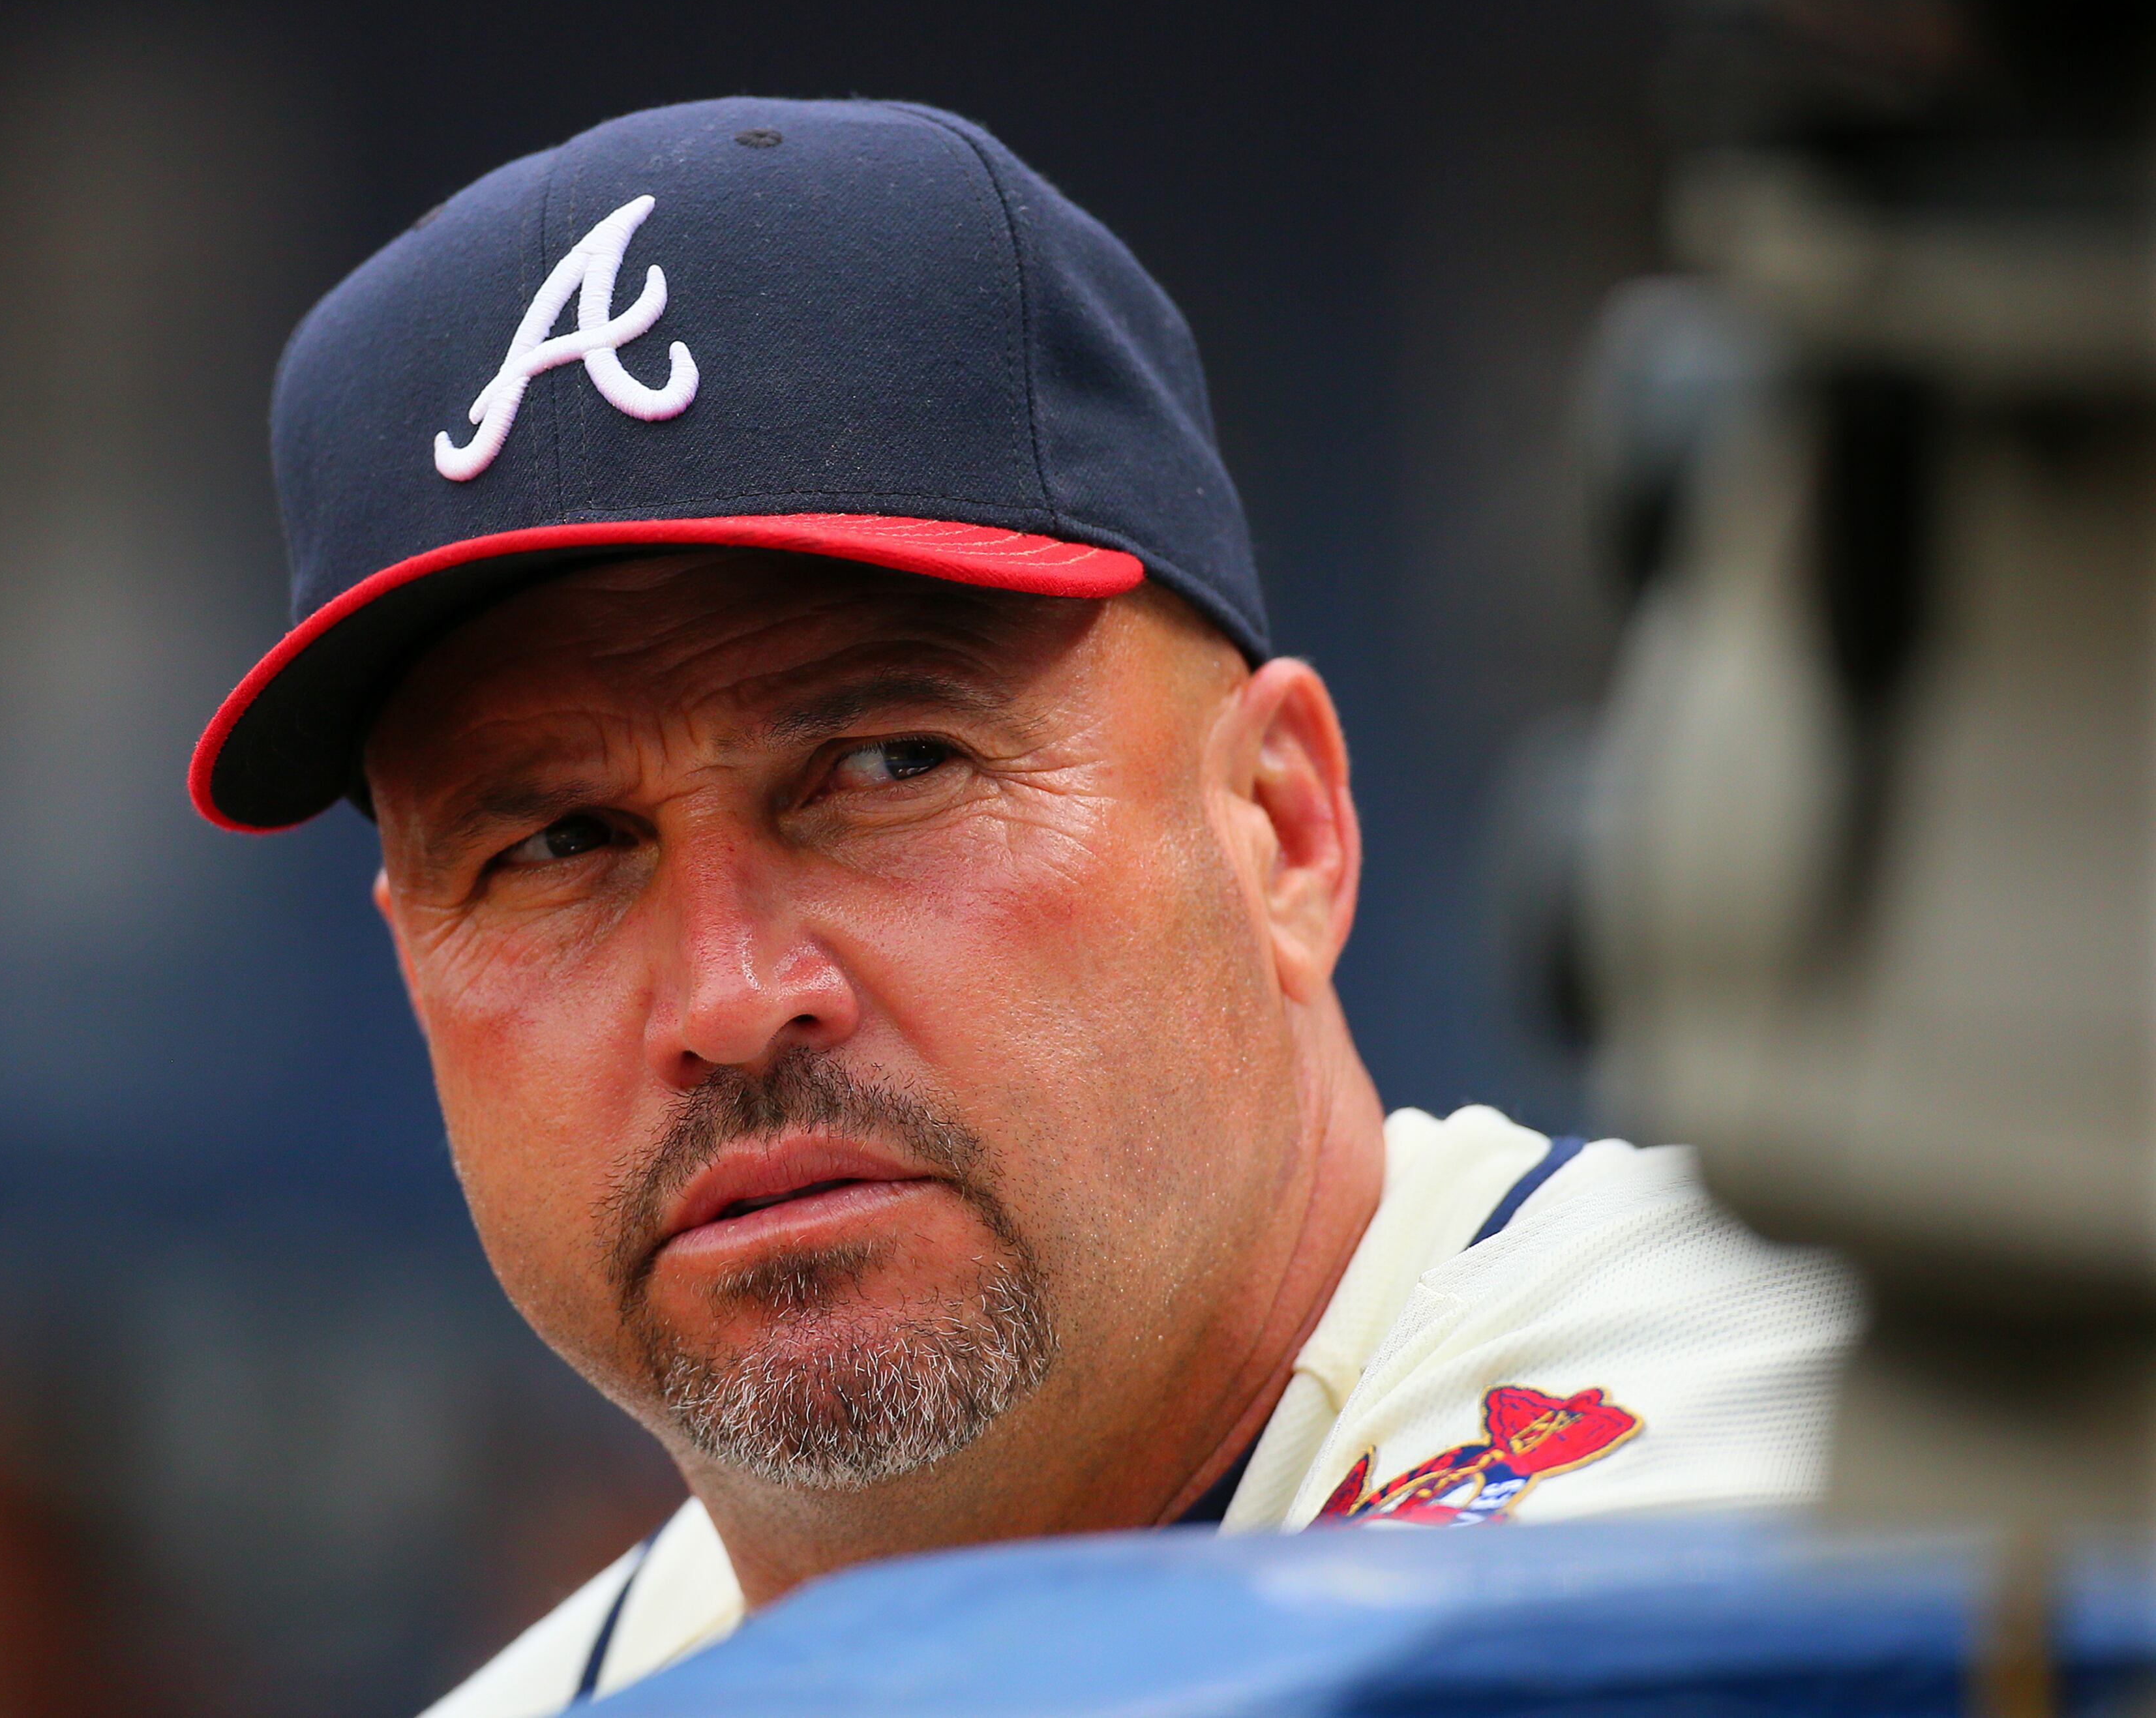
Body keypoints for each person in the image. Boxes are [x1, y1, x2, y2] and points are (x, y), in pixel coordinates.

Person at [188, 98, 1859, 1715]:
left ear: (1281, 828)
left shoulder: (1789, 1390)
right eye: (555, 844)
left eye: (889, 760)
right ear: (417, 971)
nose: (729, 993)